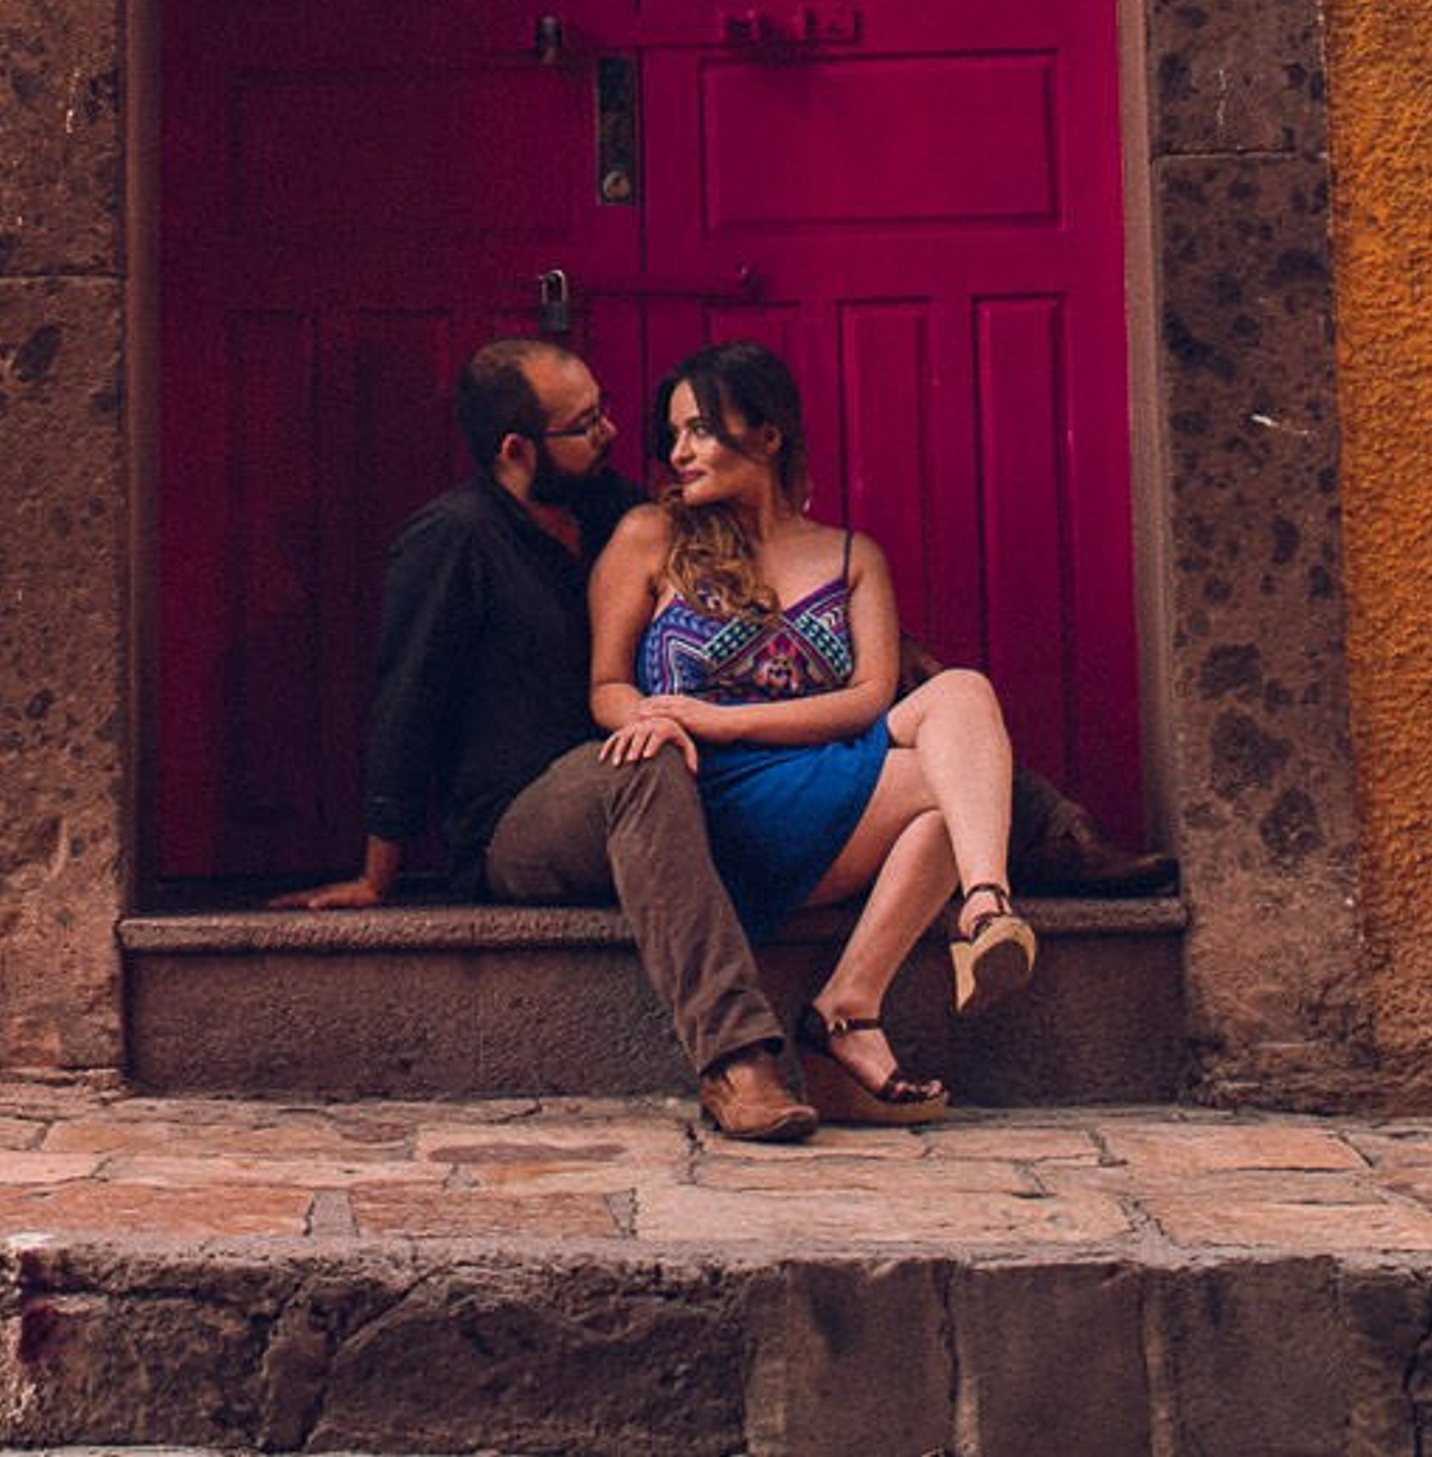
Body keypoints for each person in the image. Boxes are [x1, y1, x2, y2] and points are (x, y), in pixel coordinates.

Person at [274, 336, 821, 1143]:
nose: (610, 432)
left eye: (602, 410)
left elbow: (759, 589)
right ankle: (737, 1059)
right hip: (518, 824)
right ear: (516, 451)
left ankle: (1034, 859)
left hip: (657, 795)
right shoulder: (454, 538)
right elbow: (407, 699)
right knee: (645, 756)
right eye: (583, 425)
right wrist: (376, 873)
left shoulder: (615, 512)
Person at [589, 338, 1044, 1128]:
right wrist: (654, 720)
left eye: (700, 429)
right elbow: (606, 685)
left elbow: (869, 697)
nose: (678, 452)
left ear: (767, 436)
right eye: (674, 435)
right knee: (957, 790)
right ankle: (854, 1016)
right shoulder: (648, 536)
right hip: (704, 797)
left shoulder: (851, 556)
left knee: (963, 700)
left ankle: (962, 922)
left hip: (824, 775)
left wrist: (726, 716)